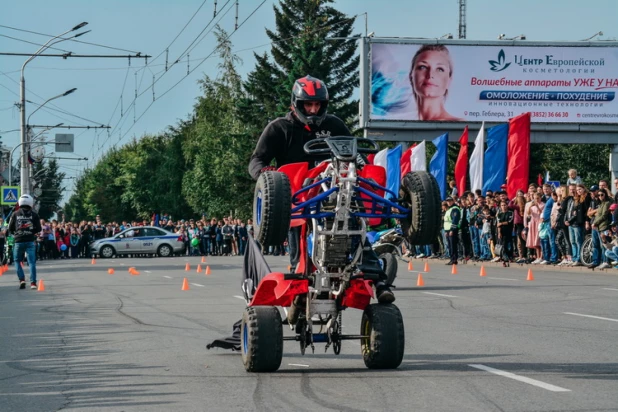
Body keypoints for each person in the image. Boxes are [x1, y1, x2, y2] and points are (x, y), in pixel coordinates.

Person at [248, 75, 394, 303]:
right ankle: (299, 286)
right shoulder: (279, 128)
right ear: (297, 104)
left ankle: (379, 281)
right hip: (297, 198)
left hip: (335, 190)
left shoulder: (334, 125)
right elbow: (256, 161)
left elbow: (354, 152)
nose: (314, 110)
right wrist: (267, 176)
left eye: (318, 105)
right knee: (299, 241)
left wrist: (364, 167)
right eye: (308, 105)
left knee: (356, 228)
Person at [408, 45, 463, 121]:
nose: (430, 75)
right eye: (423, 67)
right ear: (411, 76)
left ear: (449, 80)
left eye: (440, 69)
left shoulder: (459, 126)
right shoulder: (399, 121)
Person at [7, 195, 42, 289]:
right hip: (30, 241)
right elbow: (39, 228)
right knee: (31, 262)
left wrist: (17, 232)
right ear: (31, 203)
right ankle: (33, 283)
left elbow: (10, 228)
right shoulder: (34, 214)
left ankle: (22, 279)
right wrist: (31, 232)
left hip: (18, 241)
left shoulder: (15, 213)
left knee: (17, 261)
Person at [443, 197, 461, 265]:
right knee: (450, 245)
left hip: (452, 230)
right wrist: (446, 231)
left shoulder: (455, 209)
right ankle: (452, 259)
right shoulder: (449, 209)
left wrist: (452, 230)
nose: (448, 202)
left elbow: (455, 220)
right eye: (447, 201)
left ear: (453, 201)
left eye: (450, 201)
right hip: (448, 230)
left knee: (453, 245)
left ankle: (454, 259)